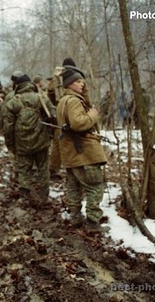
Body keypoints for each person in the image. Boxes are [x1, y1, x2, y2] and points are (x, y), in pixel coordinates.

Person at [56, 68, 109, 232]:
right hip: (83, 152)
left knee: (73, 187)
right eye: (79, 81)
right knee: (95, 186)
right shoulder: (73, 101)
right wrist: (93, 115)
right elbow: (78, 123)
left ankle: (75, 218)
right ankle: (93, 223)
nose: (82, 84)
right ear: (70, 84)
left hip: (71, 153)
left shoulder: (63, 100)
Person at [2, 74, 55, 207]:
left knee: (24, 169)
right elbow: (54, 116)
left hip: (22, 142)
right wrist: (50, 135)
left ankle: (25, 198)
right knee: (43, 168)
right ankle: (44, 198)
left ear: (18, 86)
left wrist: (10, 145)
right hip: (41, 140)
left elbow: (8, 127)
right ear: (30, 84)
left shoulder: (12, 102)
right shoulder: (41, 97)